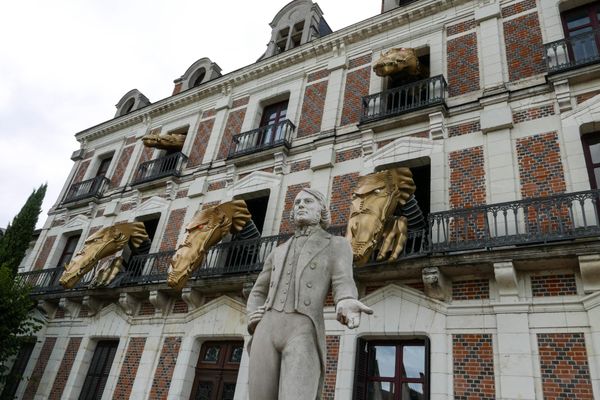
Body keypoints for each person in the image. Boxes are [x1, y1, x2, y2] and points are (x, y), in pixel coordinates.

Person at [246, 188, 373, 400]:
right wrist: (253, 318)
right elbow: (258, 290)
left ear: (321, 210)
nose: (301, 205)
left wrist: (347, 300)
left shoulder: (337, 244)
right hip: (265, 331)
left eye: (307, 201)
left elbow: (343, 281)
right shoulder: (277, 251)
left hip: (303, 330)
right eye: (297, 203)